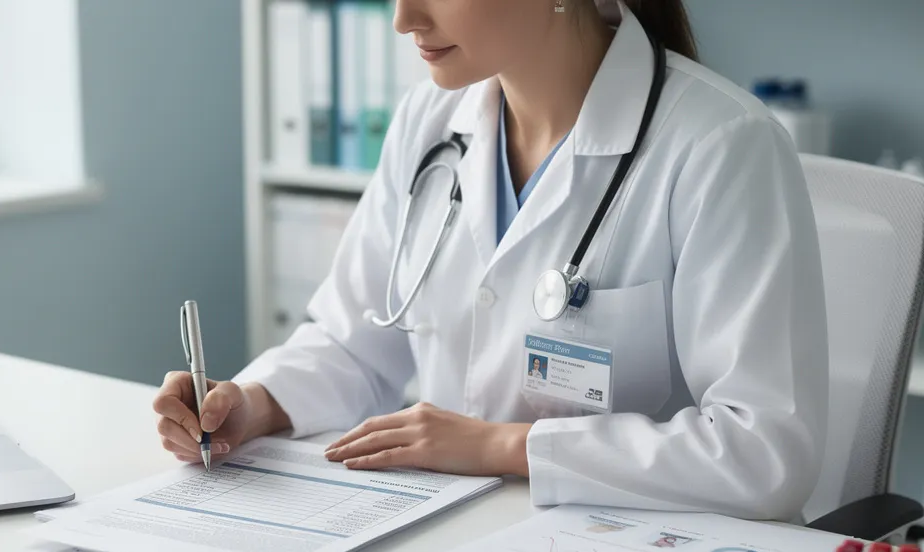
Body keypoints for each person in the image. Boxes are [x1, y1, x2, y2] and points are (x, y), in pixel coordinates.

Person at [153, 0, 827, 519]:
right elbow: (354, 345)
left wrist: (502, 447)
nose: (402, 18)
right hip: (456, 534)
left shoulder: (720, 147)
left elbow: (765, 451)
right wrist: (253, 404)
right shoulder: (429, 120)